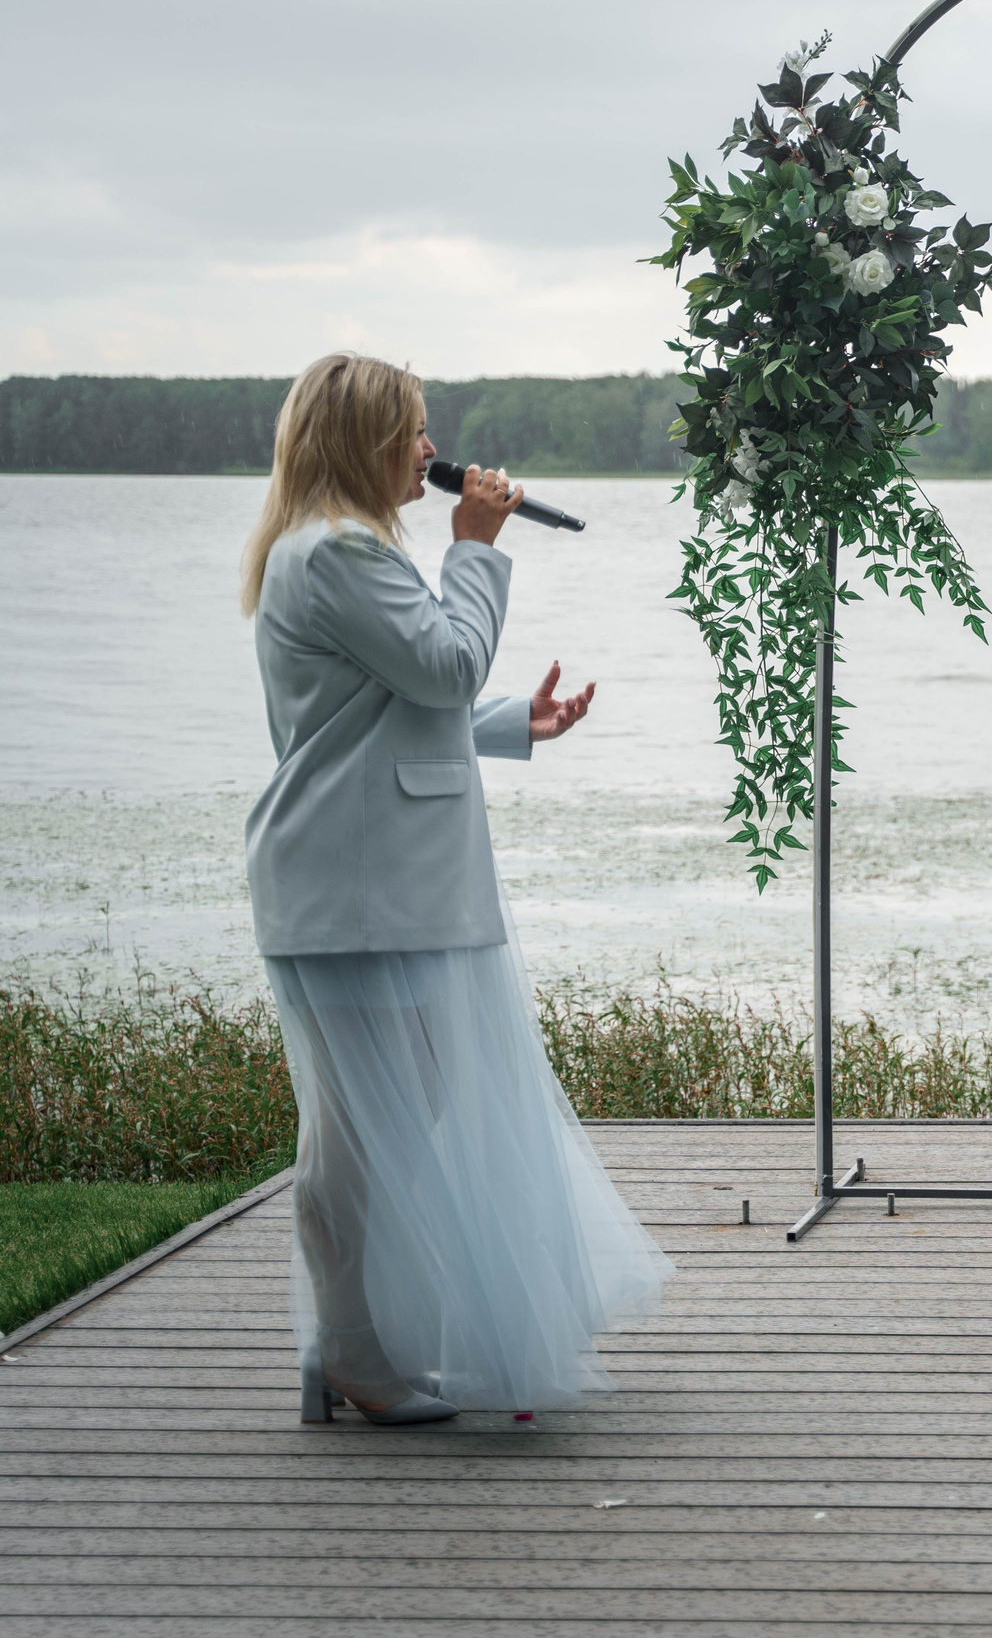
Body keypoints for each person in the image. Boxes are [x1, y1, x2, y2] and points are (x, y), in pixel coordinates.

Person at [240, 352, 671, 1424]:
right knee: (359, 1131)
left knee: (389, 1114)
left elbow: (372, 711)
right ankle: (348, 1349)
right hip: (359, 885)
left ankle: (350, 1341)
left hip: (374, 877)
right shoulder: (339, 551)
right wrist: (474, 551)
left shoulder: (336, 551)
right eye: (416, 430)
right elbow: (440, 666)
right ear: (363, 441)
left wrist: (507, 726)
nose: (435, 451)